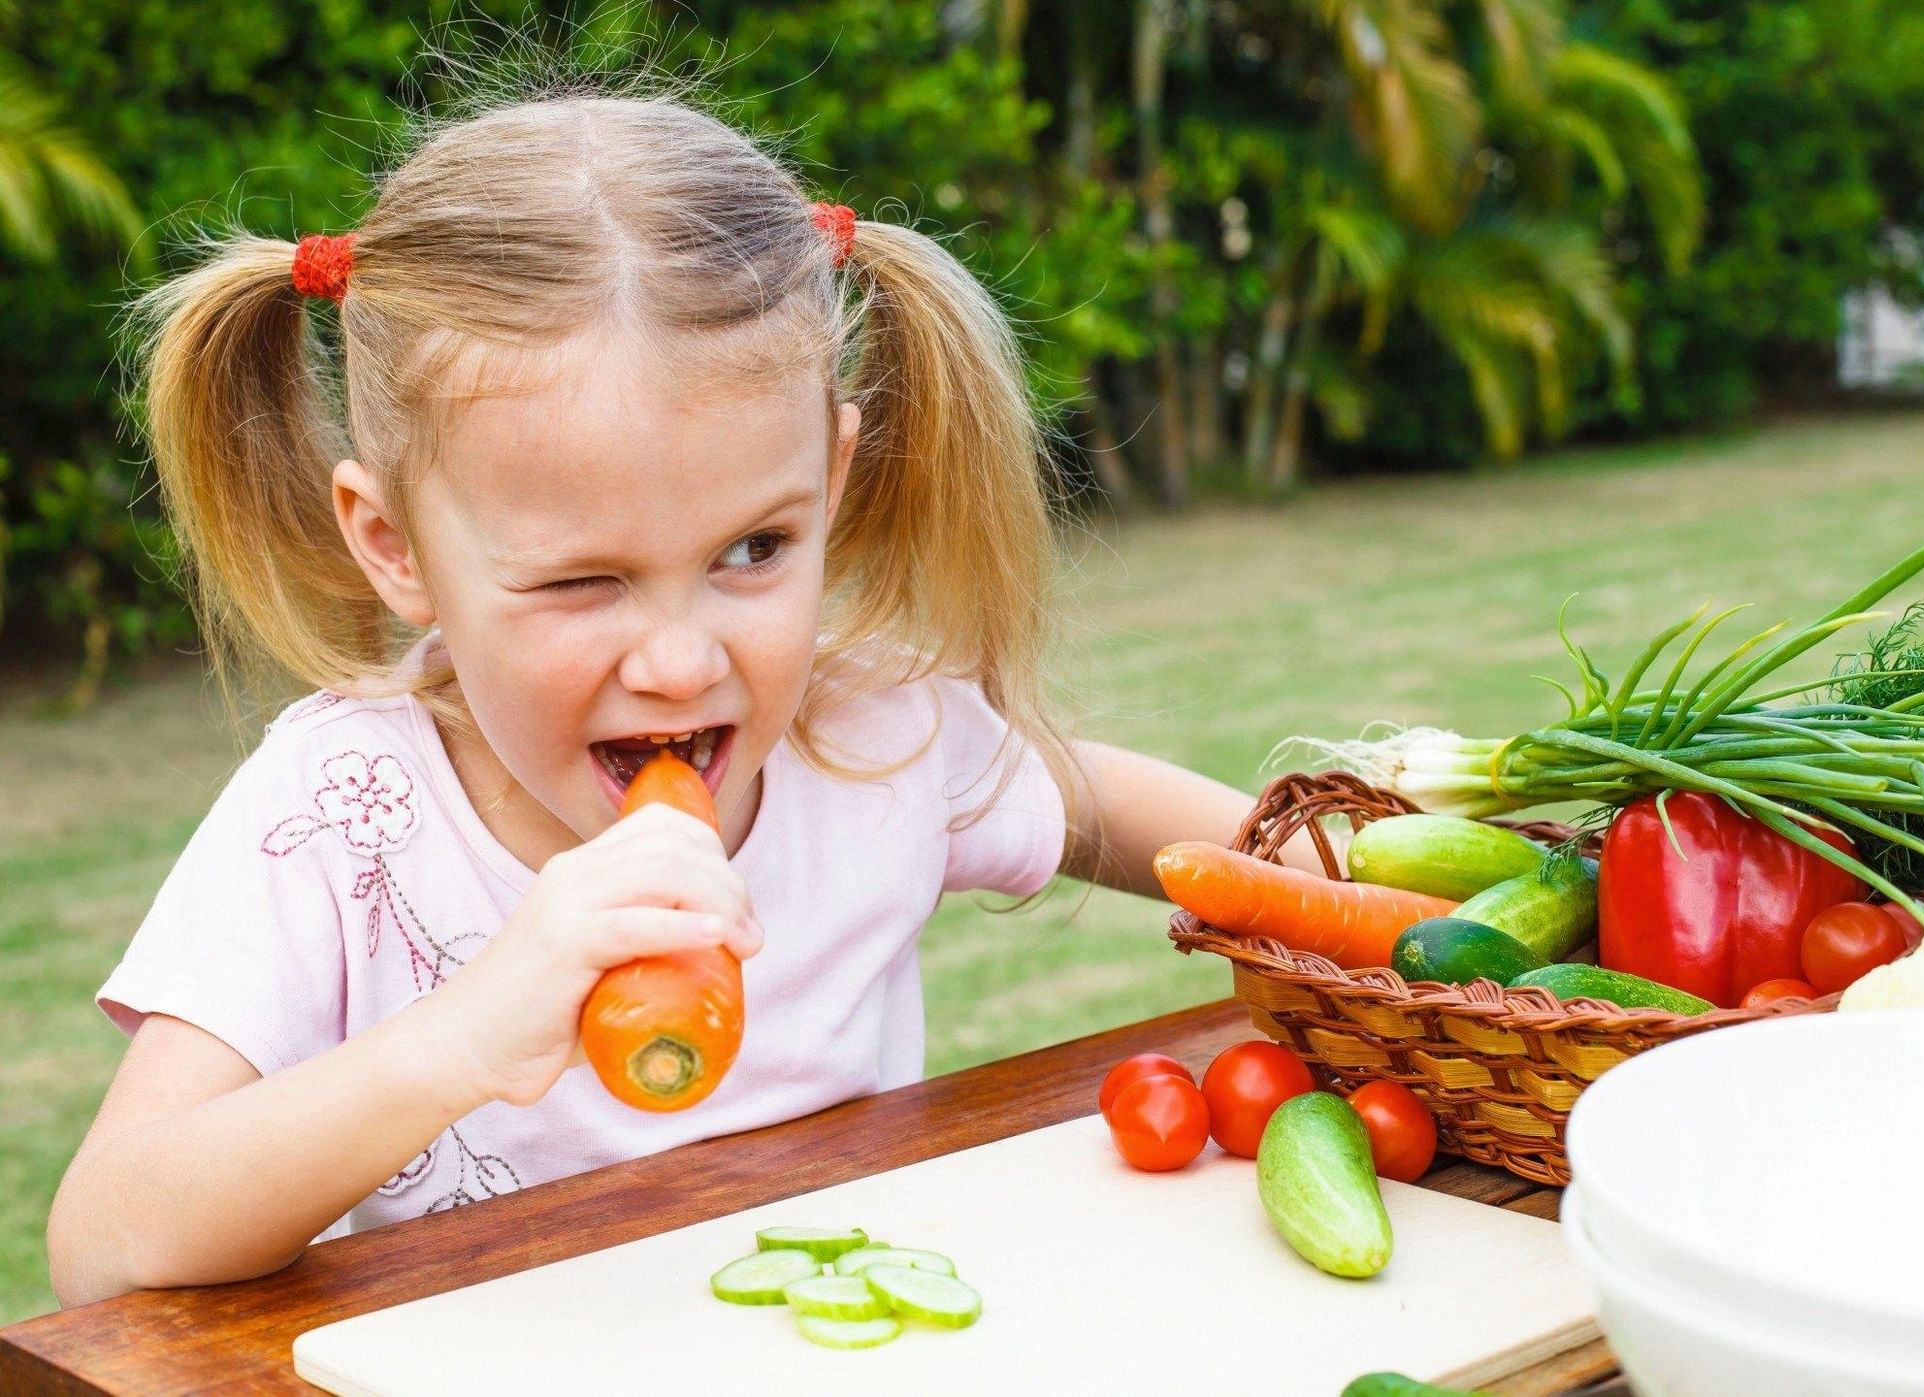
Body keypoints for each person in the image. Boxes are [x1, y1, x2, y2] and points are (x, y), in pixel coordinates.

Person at [46, 87, 1278, 1306]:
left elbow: (1134, 822)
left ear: (831, 478)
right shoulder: (340, 814)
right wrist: (457, 1038)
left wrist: (1344, 886)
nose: (681, 664)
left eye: (753, 550)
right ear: (396, 545)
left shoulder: (874, 736)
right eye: (584, 580)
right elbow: (106, 1242)